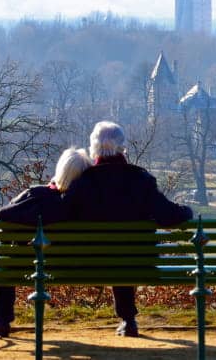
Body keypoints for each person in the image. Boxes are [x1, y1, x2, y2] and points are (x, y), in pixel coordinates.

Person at [63, 121, 193, 337]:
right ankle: (128, 319)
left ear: (93, 148)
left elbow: (63, 214)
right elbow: (168, 215)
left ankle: (127, 318)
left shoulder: (82, 182)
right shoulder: (141, 179)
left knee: (113, 252)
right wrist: (187, 211)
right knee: (124, 253)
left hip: (87, 263)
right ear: (123, 147)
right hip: (138, 261)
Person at [0, 147, 92, 337]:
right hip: (81, 267)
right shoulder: (91, 205)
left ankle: (1, 320)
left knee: (2, 255)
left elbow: (2, 216)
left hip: (29, 267)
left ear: (60, 170)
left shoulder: (37, 196)